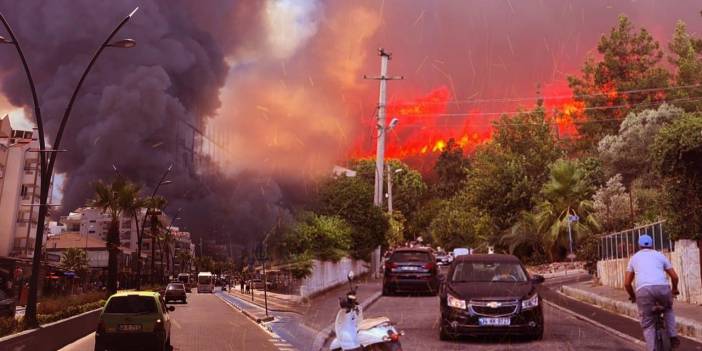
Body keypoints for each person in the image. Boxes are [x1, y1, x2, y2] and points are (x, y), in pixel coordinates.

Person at [624, 234, 680, 350]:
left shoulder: (634, 258)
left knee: (648, 324)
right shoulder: (660, 255)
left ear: (638, 245)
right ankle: (673, 336)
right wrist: (674, 289)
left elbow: (627, 283)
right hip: (662, 289)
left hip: (643, 292)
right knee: (668, 309)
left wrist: (633, 296)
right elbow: (674, 277)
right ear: (652, 244)